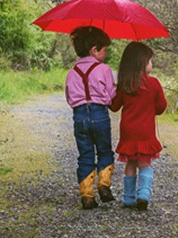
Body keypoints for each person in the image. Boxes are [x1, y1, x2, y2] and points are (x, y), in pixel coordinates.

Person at [110, 41, 167, 210]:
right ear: (142, 63)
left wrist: (111, 91)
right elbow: (161, 107)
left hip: (128, 132)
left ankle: (128, 198)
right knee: (145, 163)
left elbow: (114, 106)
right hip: (145, 132)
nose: (152, 64)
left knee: (131, 164)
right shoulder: (154, 83)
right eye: (150, 61)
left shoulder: (125, 85)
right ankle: (143, 194)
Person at [65, 26, 116, 210]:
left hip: (79, 116)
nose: (106, 53)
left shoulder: (72, 72)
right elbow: (110, 97)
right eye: (104, 50)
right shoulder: (104, 69)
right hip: (99, 114)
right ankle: (103, 185)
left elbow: (70, 98)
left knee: (85, 155)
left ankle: (87, 196)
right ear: (94, 49)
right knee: (104, 151)